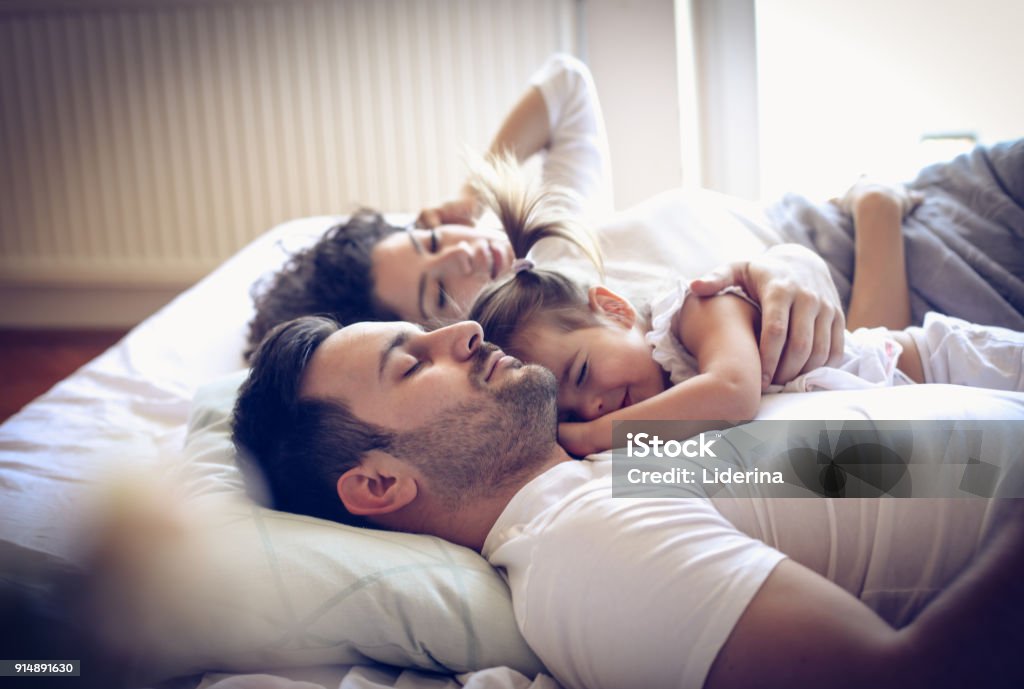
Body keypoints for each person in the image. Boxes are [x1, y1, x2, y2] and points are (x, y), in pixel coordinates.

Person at [231, 314, 1024, 689]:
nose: (463, 329)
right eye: (413, 363)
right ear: (378, 484)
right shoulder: (584, 547)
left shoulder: (608, 458)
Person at [244, 54, 850, 389]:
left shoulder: (556, 247)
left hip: (840, 217)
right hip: (880, 267)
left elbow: (568, 85)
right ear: (447, 339)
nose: (459, 255)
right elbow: (856, 355)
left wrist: (467, 197)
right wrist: (872, 226)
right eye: (437, 288)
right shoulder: (562, 365)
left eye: (430, 240)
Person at [467, 158, 1024, 455]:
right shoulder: (661, 408)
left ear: (613, 309)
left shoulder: (692, 310)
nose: (590, 408)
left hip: (941, 362)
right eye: (568, 413)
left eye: (582, 373)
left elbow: (734, 393)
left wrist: (587, 439)